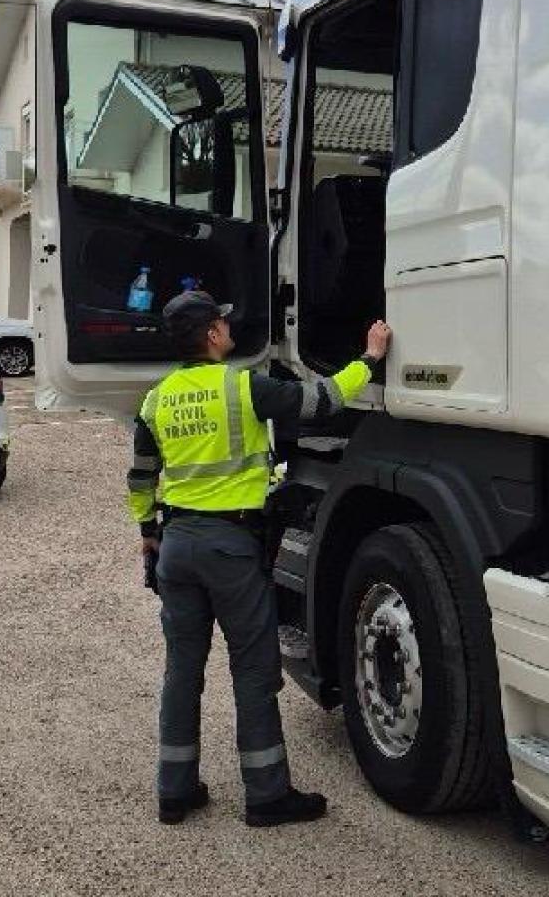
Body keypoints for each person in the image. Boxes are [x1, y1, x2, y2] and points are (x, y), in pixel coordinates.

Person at [128, 291, 391, 827]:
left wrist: (149, 533)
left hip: (176, 546)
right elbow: (321, 402)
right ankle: (267, 795)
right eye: (223, 321)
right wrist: (368, 359)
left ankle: (174, 792)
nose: (229, 326)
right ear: (211, 336)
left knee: (182, 672)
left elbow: (139, 477)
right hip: (231, 546)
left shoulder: (155, 400)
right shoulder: (242, 386)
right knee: (252, 669)